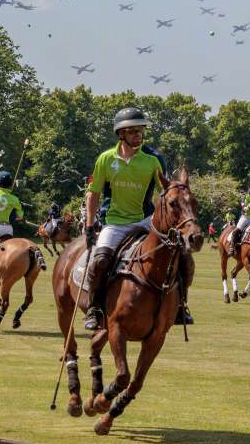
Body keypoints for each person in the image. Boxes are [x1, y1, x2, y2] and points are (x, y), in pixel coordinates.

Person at [82, 107, 192, 330]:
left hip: (145, 221)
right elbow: (93, 194)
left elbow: (167, 190)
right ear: (121, 134)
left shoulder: (153, 159)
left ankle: (181, 306)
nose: (138, 135)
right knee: (100, 261)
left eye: (140, 131)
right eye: (132, 131)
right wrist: (90, 225)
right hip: (114, 222)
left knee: (184, 256)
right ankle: (94, 308)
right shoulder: (105, 159)